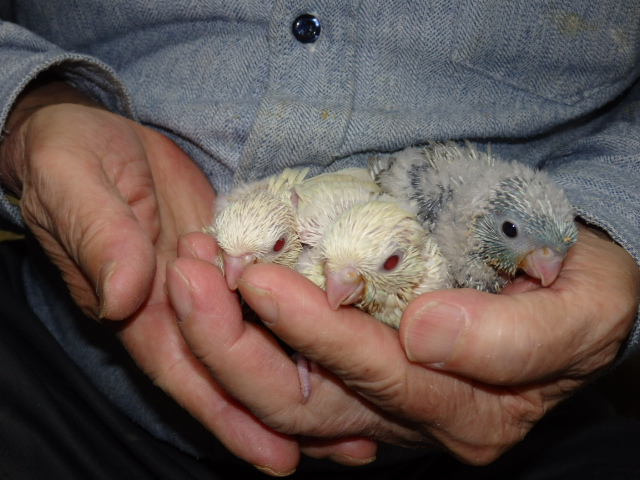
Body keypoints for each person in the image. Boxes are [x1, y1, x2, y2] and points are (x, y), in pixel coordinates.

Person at [1, 1, 639, 478]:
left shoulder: (441, 247)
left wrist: (619, 225)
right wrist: (27, 108)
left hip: (542, 439)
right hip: (53, 362)